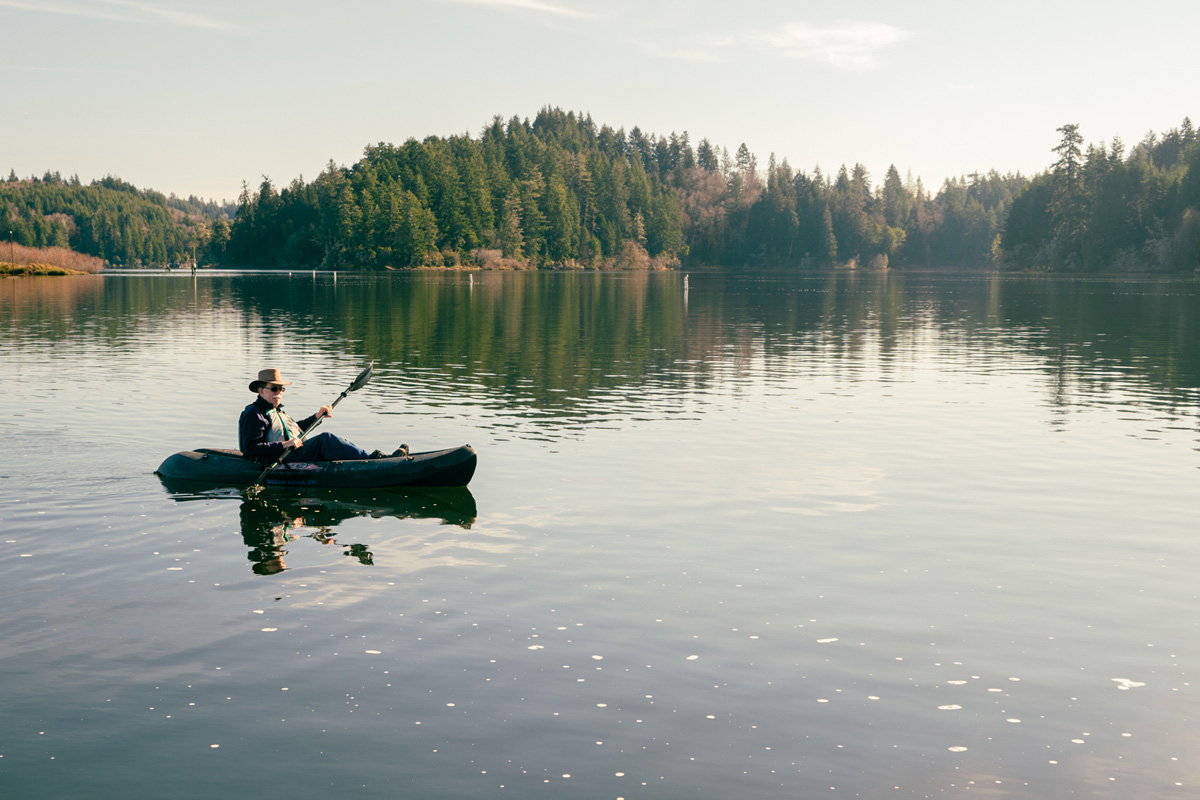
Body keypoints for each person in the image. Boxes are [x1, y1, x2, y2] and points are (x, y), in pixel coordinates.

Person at [239, 368, 405, 463]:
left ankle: (365, 459)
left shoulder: (275, 411)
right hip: (280, 458)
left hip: (292, 451)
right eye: (274, 389)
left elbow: (294, 431)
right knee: (326, 439)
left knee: (334, 441)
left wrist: (317, 417)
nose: (279, 393)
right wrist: (284, 445)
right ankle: (372, 460)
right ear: (261, 391)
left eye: (281, 389)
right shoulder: (253, 414)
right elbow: (250, 449)